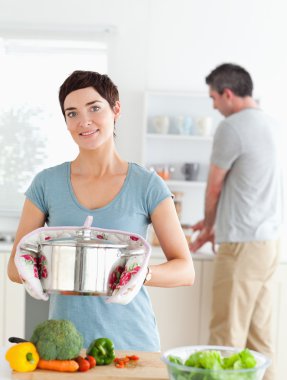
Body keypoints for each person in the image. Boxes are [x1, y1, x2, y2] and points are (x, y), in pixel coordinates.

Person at [8, 70, 195, 351]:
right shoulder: (46, 183)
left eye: (94, 108)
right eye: (72, 113)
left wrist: (141, 274)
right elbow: (13, 268)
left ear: (115, 109)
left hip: (132, 344)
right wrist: (34, 269)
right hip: (65, 345)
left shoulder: (147, 185)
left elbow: (185, 270)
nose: (84, 121)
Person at [190, 63, 281, 380]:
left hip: (241, 245)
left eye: (214, 97)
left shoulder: (233, 127)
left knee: (226, 339)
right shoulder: (272, 123)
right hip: (268, 244)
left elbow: (214, 186)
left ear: (228, 94)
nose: (214, 105)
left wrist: (209, 225)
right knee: (260, 340)